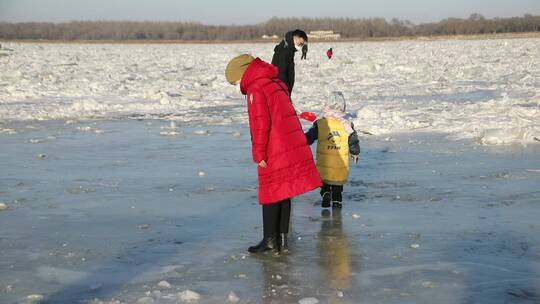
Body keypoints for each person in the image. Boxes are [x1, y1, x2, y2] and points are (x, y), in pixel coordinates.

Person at [225, 54, 322, 254]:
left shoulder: (256, 88)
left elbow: (260, 124)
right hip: (288, 144)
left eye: (234, 82)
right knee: (284, 192)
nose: (236, 86)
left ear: (242, 74)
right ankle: (282, 240)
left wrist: (259, 153)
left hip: (274, 147)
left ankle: (270, 241)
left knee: (270, 193)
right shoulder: (274, 82)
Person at [305, 92, 360, 209]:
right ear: (343, 108)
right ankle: (337, 199)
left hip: (324, 161)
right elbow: (353, 140)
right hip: (340, 162)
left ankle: (325, 193)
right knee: (337, 182)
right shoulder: (347, 125)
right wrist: (355, 153)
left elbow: (310, 137)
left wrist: (302, 141)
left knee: (324, 179)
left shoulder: (320, 123)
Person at [271, 29, 308, 95]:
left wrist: (305, 45)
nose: (300, 46)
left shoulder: (289, 48)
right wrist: (285, 92)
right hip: (280, 90)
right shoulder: (284, 51)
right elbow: (281, 73)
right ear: (296, 38)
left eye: (302, 45)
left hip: (284, 89)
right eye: (300, 43)